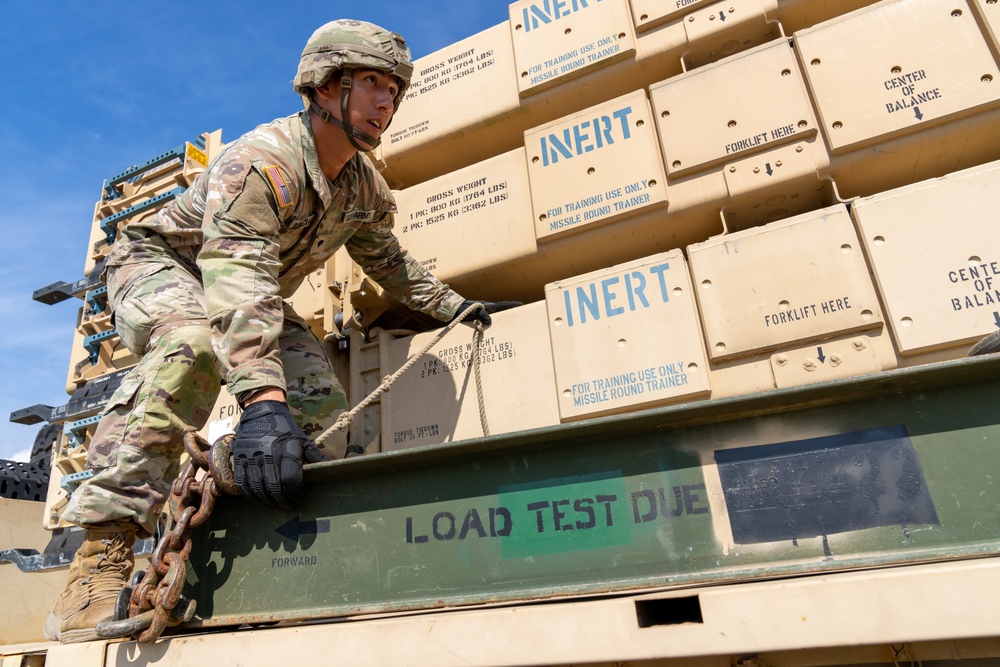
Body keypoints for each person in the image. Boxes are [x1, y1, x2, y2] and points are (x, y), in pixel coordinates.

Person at [45, 19, 517, 643]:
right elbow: (233, 280)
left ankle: (286, 557)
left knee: (319, 402)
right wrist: (262, 406)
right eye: (372, 84)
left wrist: (455, 305)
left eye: (395, 92)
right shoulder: (260, 164)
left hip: (250, 286)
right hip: (165, 266)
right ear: (325, 88)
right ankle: (96, 568)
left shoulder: (363, 188)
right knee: (192, 345)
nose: (387, 104)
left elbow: (387, 262)